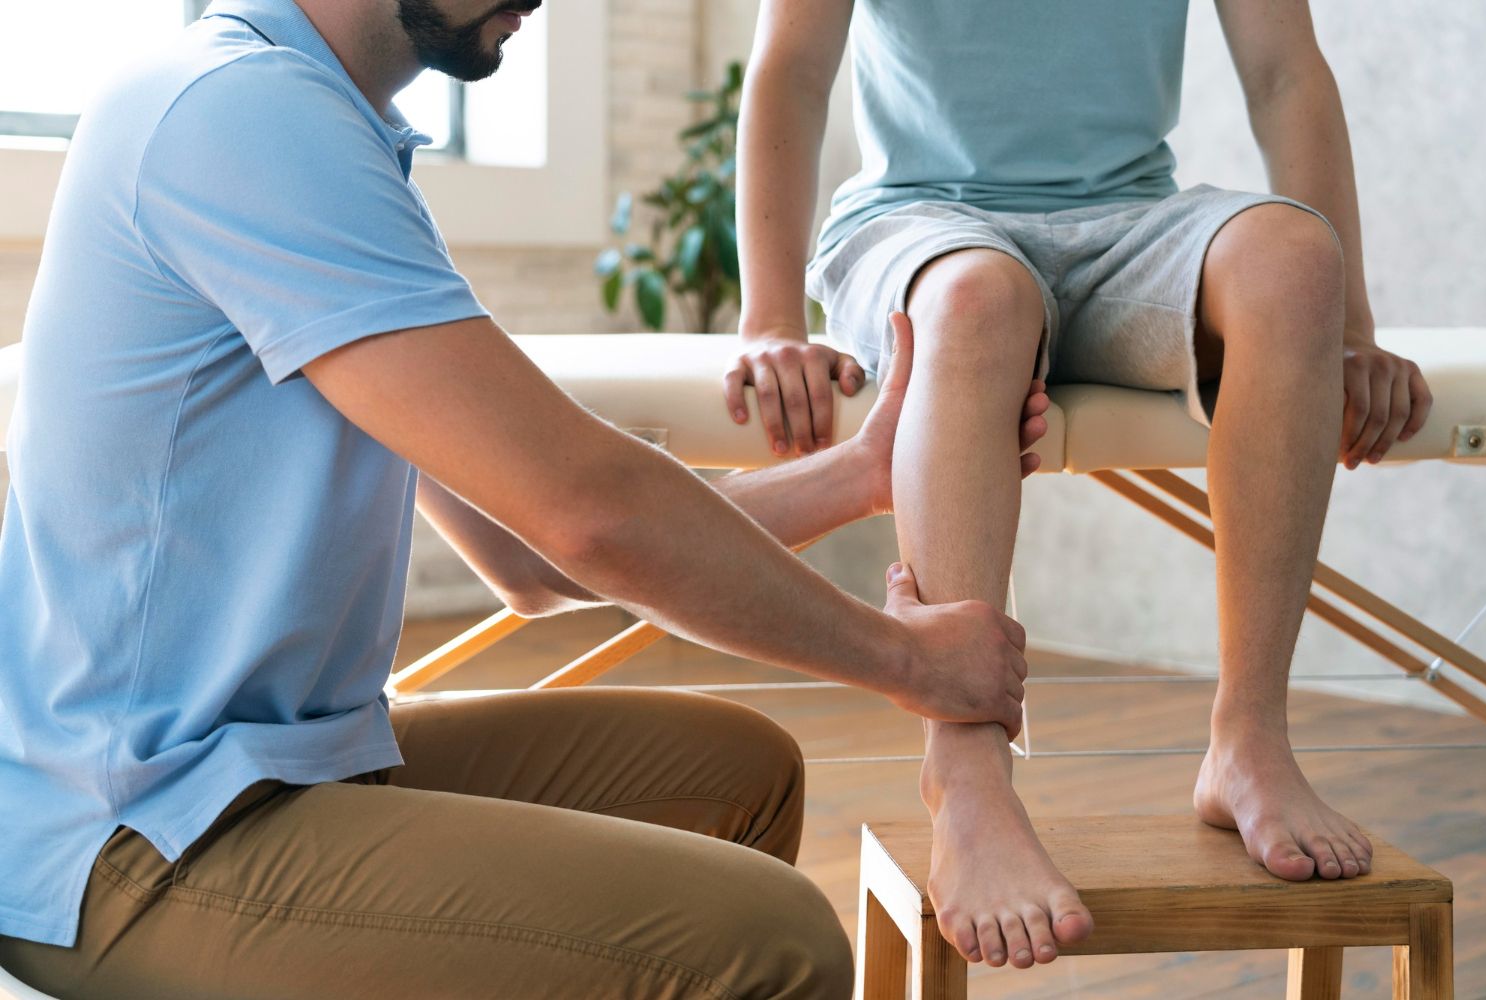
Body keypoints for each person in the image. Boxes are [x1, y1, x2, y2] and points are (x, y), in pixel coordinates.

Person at [0, 0, 1051, 996]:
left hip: (274, 764)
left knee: (743, 776)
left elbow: (527, 558)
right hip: (132, 833)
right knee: (769, 945)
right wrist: (908, 660)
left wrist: (858, 474)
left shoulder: (326, 130)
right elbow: (586, 511)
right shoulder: (238, 110)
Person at [728, 0, 1434, 972]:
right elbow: (790, 71)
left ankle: (1249, 740)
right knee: (978, 298)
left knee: (1292, 260)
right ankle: (967, 773)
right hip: (922, 222)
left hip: (1133, 220)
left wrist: (1350, 330)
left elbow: (1285, 73)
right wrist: (767, 317)